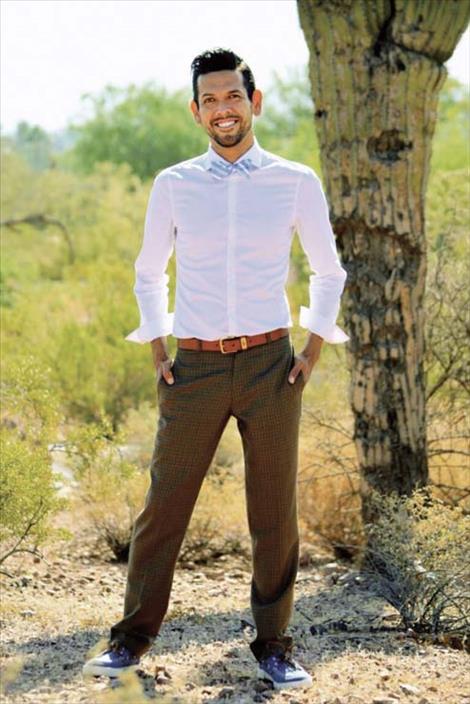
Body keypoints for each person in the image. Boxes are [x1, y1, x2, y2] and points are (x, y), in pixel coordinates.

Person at [83, 47, 349, 691]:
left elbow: (329, 270)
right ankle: (131, 638)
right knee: (163, 506)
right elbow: (149, 273)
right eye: (210, 100)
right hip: (194, 367)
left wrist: (310, 351)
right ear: (196, 110)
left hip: (270, 366)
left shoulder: (294, 180)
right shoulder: (173, 184)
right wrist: (157, 351)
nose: (222, 109)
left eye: (233, 96)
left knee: (273, 513)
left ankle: (275, 643)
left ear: (253, 102)